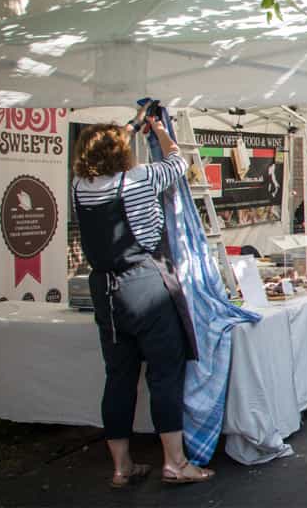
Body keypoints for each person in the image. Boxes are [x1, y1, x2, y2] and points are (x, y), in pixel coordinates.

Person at [71, 112, 213, 487]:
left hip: (104, 289)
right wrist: (163, 132)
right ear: (121, 152)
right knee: (165, 373)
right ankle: (175, 462)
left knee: (118, 377)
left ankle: (121, 467)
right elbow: (177, 163)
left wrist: (132, 126)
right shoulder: (137, 180)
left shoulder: (80, 186)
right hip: (144, 282)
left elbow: (105, 150)